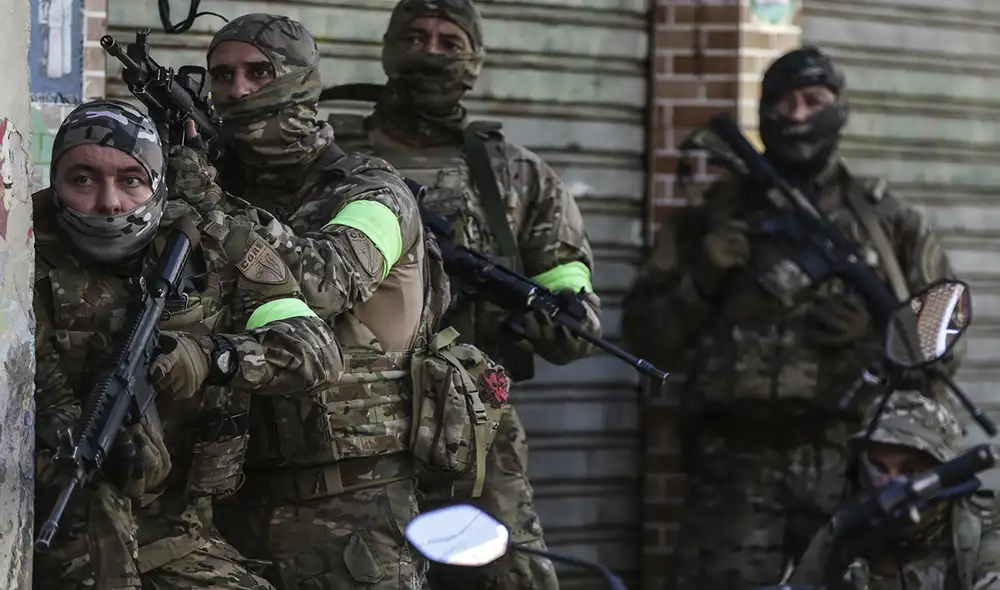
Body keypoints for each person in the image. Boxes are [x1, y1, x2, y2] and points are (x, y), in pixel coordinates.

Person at [167, 13, 509, 590]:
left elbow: (322, 282)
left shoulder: (374, 191)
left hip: (354, 515)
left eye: (259, 72)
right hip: (226, 506)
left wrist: (208, 203)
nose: (238, 89)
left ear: (301, 80)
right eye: (222, 75)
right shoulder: (215, 189)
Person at [621, 45, 961, 590]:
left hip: (851, 466)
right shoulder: (711, 219)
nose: (798, 115)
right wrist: (704, 275)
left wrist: (878, 337)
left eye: (813, 100)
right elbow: (642, 338)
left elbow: (944, 341)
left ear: (838, 108)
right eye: (783, 102)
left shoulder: (886, 222)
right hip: (733, 469)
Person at [312, 1, 603, 589]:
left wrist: (565, 317)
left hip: (476, 429)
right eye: (416, 38)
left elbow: (569, 287)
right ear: (390, 48)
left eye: (450, 41)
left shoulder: (514, 176)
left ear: (475, 60)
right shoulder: (328, 158)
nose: (432, 53)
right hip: (342, 429)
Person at [32, 99, 340, 589]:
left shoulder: (217, 244)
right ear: (56, 180)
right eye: (83, 179)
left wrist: (214, 357)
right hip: (57, 522)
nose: (109, 202)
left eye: (131, 180)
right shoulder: (22, 249)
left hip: (177, 533)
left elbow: (316, 352)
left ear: (156, 182)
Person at [790, 391, 1000, 590]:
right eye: (879, 469)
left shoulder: (980, 529)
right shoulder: (847, 530)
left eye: (910, 471)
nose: (891, 484)